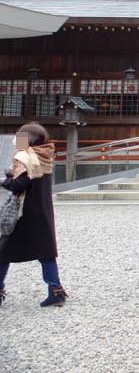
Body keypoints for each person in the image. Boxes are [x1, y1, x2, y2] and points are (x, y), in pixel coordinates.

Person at [0, 122, 66, 308]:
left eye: (20, 136)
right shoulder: (44, 156)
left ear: (26, 139)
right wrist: (13, 175)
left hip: (24, 213)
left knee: (3, 252)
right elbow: (30, 179)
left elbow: (18, 186)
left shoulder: (25, 157)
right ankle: (56, 291)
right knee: (46, 253)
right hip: (42, 211)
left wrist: (4, 181)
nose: (17, 139)